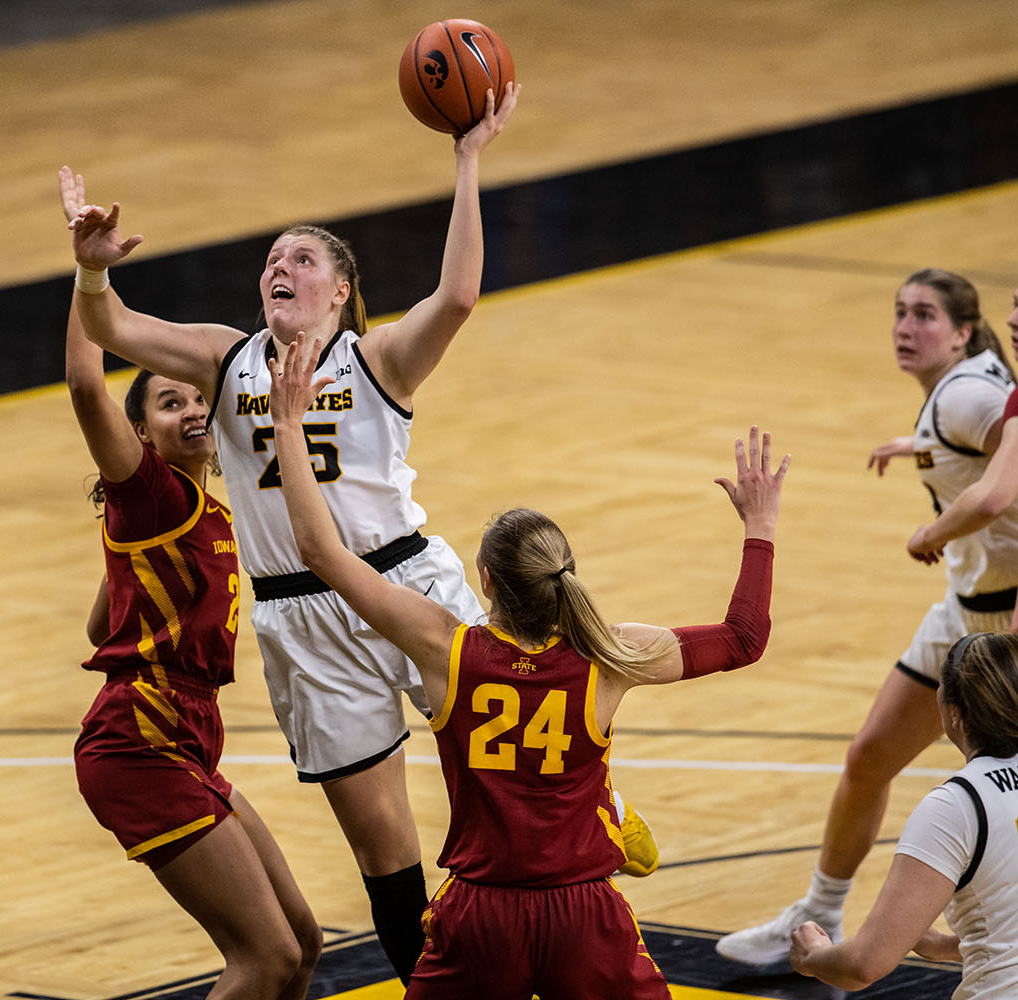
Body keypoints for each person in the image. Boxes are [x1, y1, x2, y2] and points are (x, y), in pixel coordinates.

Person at [64, 85, 658, 985]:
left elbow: (457, 295)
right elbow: (110, 329)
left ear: (340, 290)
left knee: (515, 767)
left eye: (302, 258)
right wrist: (93, 268)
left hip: (405, 585)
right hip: (300, 619)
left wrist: (467, 163)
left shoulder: (373, 362)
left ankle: (595, 807)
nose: (280, 265)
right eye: (271, 257)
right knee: (386, 856)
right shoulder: (228, 360)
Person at [268, 330, 788, 995]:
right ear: (565, 574)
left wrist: (287, 422)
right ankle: (612, 813)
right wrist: (760, 527)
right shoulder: (611, 654)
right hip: (583, 912)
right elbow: (745, 638)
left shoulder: (444, 647)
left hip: (482, 913)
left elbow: (320, 551)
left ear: (484, 579)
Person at [62, 170, 320, 997]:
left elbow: (101, 619)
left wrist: (127, 566)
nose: (191, 408)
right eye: (167, 404)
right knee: (266, 959)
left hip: (184, 739)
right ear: (140, 436)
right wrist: (87, 273)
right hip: (142, 741)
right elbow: (82, 386)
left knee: (305, 943)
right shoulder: (152, 491)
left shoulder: (194, 508)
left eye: (194, 394)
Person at [719, 269, 1018, 965]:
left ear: (963, 332)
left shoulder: (969, 395)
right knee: (871, 756)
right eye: (899, 313)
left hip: (1003, 617)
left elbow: (997, 468)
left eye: (924, 316)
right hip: (965, 608)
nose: (905, 328)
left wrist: (934, 528)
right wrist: (921, 448)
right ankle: (820, 907)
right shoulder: (964, 393)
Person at [790, 631, 1018, 997]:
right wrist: (943, 946)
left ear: (955, 714)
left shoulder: (957, 805)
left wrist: (813, 957)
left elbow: (863, 964)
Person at [904, 284, 1018, 624]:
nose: (1011, 319)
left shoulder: (970, 397)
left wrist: (929, 536)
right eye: (1013, 304)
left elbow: (991, 498)